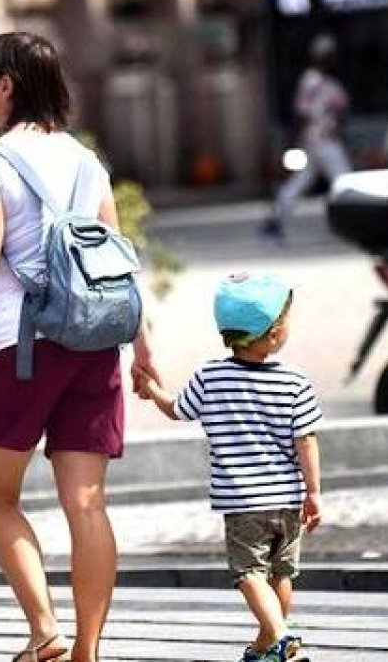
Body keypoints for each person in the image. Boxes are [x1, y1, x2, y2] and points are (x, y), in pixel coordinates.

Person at [0, 32, 158, 662]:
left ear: (6, 85)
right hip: (96, 346)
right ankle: (88, 651)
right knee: (87, 503)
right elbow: (118, 266)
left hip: (19, 349)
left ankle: (45, 631)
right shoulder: (86, 161)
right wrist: (144, 352)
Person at [133, 272, 323, 662]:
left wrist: (151, 389)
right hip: (286, 498)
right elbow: (306, 440)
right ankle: (269, 645)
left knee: (248, 573)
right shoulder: (294, 382)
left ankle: (279, 638)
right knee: (281, 574)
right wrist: (314, 491)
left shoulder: (210, 377)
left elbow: (175, 410)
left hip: (242, 501)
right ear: (272, 335)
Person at [263, 34, 351, 243]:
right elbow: (302, 113)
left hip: (322, 139)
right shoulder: (311, 80)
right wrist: (292, 141)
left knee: (301, 181)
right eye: (328, 56)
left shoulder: (330, 83)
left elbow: (340, 112)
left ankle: (276, 219)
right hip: (319, 139)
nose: (332, 59)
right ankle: (357, 220)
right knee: (345, 180)